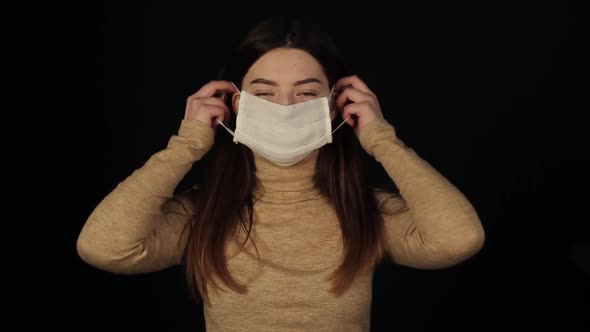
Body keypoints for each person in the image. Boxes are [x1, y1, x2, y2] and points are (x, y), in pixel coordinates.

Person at [77, 16, 485, 331]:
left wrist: (381, 137)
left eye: (307, 93)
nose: (286, 106)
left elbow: (458, 238)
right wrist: (187, 144)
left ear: (336, 105)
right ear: (234, 103)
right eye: (264, 93)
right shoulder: (202, 213)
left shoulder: (367, 212)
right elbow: (104, 247)